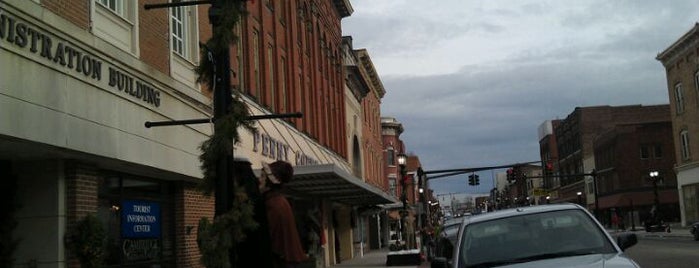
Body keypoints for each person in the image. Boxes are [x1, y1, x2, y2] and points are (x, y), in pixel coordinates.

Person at [260, 160, 307, 268]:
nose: (259, 180)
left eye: (262, 177)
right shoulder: (279, 200)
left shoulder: (274, 204)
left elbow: (268, 237)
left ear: (270, 181)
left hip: (282, 263)